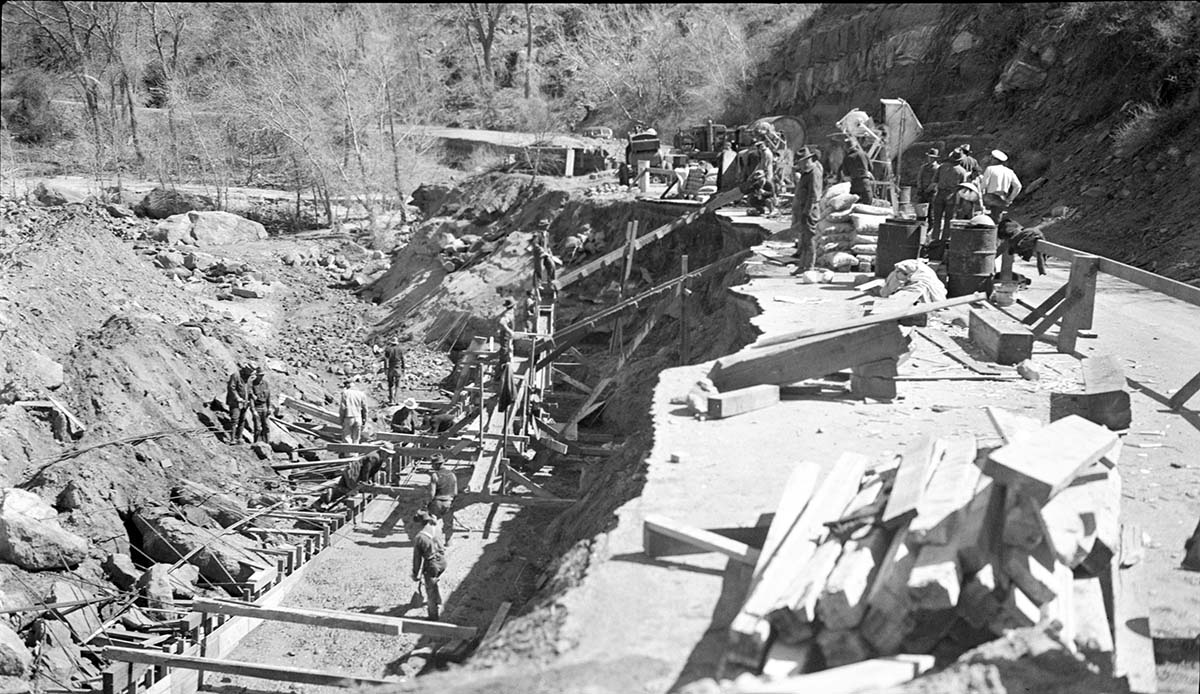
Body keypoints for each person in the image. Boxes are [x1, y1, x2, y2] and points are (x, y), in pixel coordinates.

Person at [791, 146, 824, 269]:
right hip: (803, 210)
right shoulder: (806, 173)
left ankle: (809, 267)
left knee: (809, 241)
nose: (800, 164)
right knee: (803, 240)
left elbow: (814, 196)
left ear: (808, 160)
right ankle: (801, 266)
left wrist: (806, 212)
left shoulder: (814, 173)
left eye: (802, 161)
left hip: (810, 212)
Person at [410, 509, 446, 621]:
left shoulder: (420, 537)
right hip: (442, 561)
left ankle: (433, 616)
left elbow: (417, 559)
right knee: (435, 579)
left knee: (430, 591)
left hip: (431, 564)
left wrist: (415, 573)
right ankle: (439, 599)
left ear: (420, 523)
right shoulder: (437, 527)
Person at [930, 150, 971, 242]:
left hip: (940, 193)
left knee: (937, 219)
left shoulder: (942, 167)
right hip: (952, 195)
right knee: (949, 219)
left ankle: (934, 238)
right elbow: (962, 187)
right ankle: (945, 239)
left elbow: (934, 181)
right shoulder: (962, 171)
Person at [979, 149, 1023, 223]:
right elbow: (1018, 186)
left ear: (995, 160)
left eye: (992, 158)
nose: (991, 160)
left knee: (973, 201)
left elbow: (984, 185)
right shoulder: (1009, 171)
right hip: (1003, 198)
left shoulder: (990, 169)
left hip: (990, 197)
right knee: (997, 216)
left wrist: (979, 193)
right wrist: (1010, 199)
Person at [426, 453, 458, 546]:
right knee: (448, 523)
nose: (432, 466)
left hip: (437, 502)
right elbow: (455, 492)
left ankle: (434, 542)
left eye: (432, 464)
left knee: (433, 522)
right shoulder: (452, 475)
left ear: (436, 464)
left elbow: (432, 493)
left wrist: (427, 503)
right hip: (448, 502)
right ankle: (448, 541)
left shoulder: (434, 476)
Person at [225, 363, 254, 445]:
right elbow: (231, 387)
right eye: (249, 372)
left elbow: (249, 388)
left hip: (245, 402)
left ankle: (239, 437)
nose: (250, 374)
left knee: (242, 420)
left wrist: (251, 396)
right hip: (235, 402)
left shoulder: (249, 378)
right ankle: (232, 438)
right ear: (245, 369)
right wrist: (237, 397)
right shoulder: (236, 375)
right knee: (234, 419)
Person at [840, 137, 873, 203]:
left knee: (853, 204)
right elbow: (871, 168)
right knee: (868, 204)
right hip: (865, 181)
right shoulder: (864, 154)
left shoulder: (847, 158)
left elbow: (846, 173)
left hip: (854, 183)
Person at [338, 379, 369, 444]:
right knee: (356, 439)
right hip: (358, 418)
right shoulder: (361, 394)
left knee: (347, 438)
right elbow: (365, 409)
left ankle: (347, 453)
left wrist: (341, 419)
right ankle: (354, 453)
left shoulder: (345, 393)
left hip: (348, 417)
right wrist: (365, 420)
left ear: (347, 385)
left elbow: (342, 408)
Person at [915, 148, 941, 224]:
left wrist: (928, 189)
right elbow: (919, 178)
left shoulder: (938, 168)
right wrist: (920, 188)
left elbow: (935, 182)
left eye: (932, 157)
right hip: (922, 191)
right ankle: (920, 226)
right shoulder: (924, 167)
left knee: (930, 212)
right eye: (930, 157)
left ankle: (930, 227)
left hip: (932, 193)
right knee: (920, 212)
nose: (930, 159)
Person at [248, 365, 271, 444]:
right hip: (257, 408)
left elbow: (268, 396)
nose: (261, 377)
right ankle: (256, 443)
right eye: (260, 375)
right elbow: (251, 398)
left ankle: (267, 444)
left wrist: (269, 408)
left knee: (266, 427)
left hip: (264, 407)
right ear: (256, 375)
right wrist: (253, 410)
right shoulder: (252, 384)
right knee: (258, 428)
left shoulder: (265, 384)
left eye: (262, 375)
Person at [382, 336, 406, 404]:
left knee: (390, 384)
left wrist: (385, 369)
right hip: (398, 368)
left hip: (391, 368)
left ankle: (391, 400)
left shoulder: (388, 349)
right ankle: (396, 400)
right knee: (397, 385)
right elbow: (403, 359)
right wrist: (403, 369)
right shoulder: (400, 349)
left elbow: (385, 359)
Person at [496, 298, 515, 366]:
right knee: (505, 351)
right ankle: (502, 366)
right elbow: (502, 322)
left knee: (508, 349)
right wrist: (510, 331)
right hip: (505, 335)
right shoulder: (508, 314)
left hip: (507, 335)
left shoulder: (509, 312)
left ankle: (507, 363)